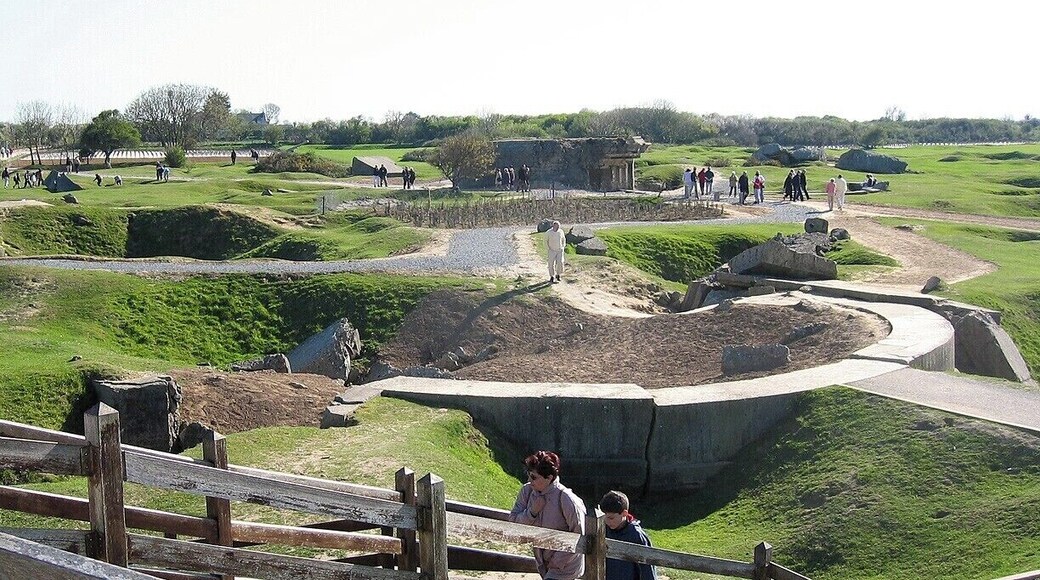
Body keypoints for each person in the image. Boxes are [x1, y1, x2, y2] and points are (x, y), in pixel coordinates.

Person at [509, 451, 586, 580]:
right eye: (528, 475)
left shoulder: (566, 498)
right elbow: (513, 523)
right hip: (544, 564)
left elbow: (579, 537)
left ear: (549, 477)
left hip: (566, 567)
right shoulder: (527, 491)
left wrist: (557, 561)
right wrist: (531, 513)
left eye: (534, 477)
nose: (529, 480)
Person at [599, 491, 657, 580]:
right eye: (604, 517)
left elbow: (647, 570)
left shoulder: (636, 535)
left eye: (611, 518)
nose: (607, 521)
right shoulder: (603, 530)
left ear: (624, 513)